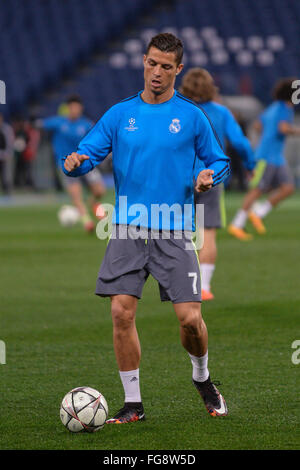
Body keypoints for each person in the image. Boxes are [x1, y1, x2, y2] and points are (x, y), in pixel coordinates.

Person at [62, 33, 231, 422]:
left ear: (178, 70)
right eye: (152, 63)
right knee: (121, 313)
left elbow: (219, 160)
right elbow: (87, 153)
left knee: (190, 320)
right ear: (144, 61)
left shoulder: (191, 115)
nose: (157, 72)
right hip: (125, 228)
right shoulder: (120, 114)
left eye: (166, 67)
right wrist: (75, 163)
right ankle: (133, 404)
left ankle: (202, 377)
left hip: (174, 231)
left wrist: (209, 175)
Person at [179, 68, 255, 300]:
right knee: (208, 232)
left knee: (177, 232)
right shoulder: (221, 112)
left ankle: (180, 284)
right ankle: (205, 287)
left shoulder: (178, 111)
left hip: (181, 177)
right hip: (211, 176)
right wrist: (250, 164)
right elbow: (240, 142)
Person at [228, 78, 299, 240]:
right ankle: (237, 224)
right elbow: (283, 128)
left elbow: (257, 126)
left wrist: (268, 136)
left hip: (274, 156)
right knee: (257, 190)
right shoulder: (285, 109)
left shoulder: (272, 108)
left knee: (288, 187)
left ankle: (258, 212)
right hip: (267, 157)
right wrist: (296, 131)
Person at [37, 95, 106, 232]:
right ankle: (87, 222)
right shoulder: (58, 122)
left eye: (77, 107)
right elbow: (39, 124)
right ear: (68, 108)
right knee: (76, 193)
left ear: (81, 108)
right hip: (67, 164)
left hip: (85, 162)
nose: (74, 109)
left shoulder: (86, 124)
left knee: (99, 191)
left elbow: (97, 140)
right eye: (72, 107)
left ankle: (93, 202)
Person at [0, 113, 14, 195]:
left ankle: (8, 193)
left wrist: (7, 154)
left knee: (6, 176)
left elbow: (10, 143)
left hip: (5, 156)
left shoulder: (7, 129)